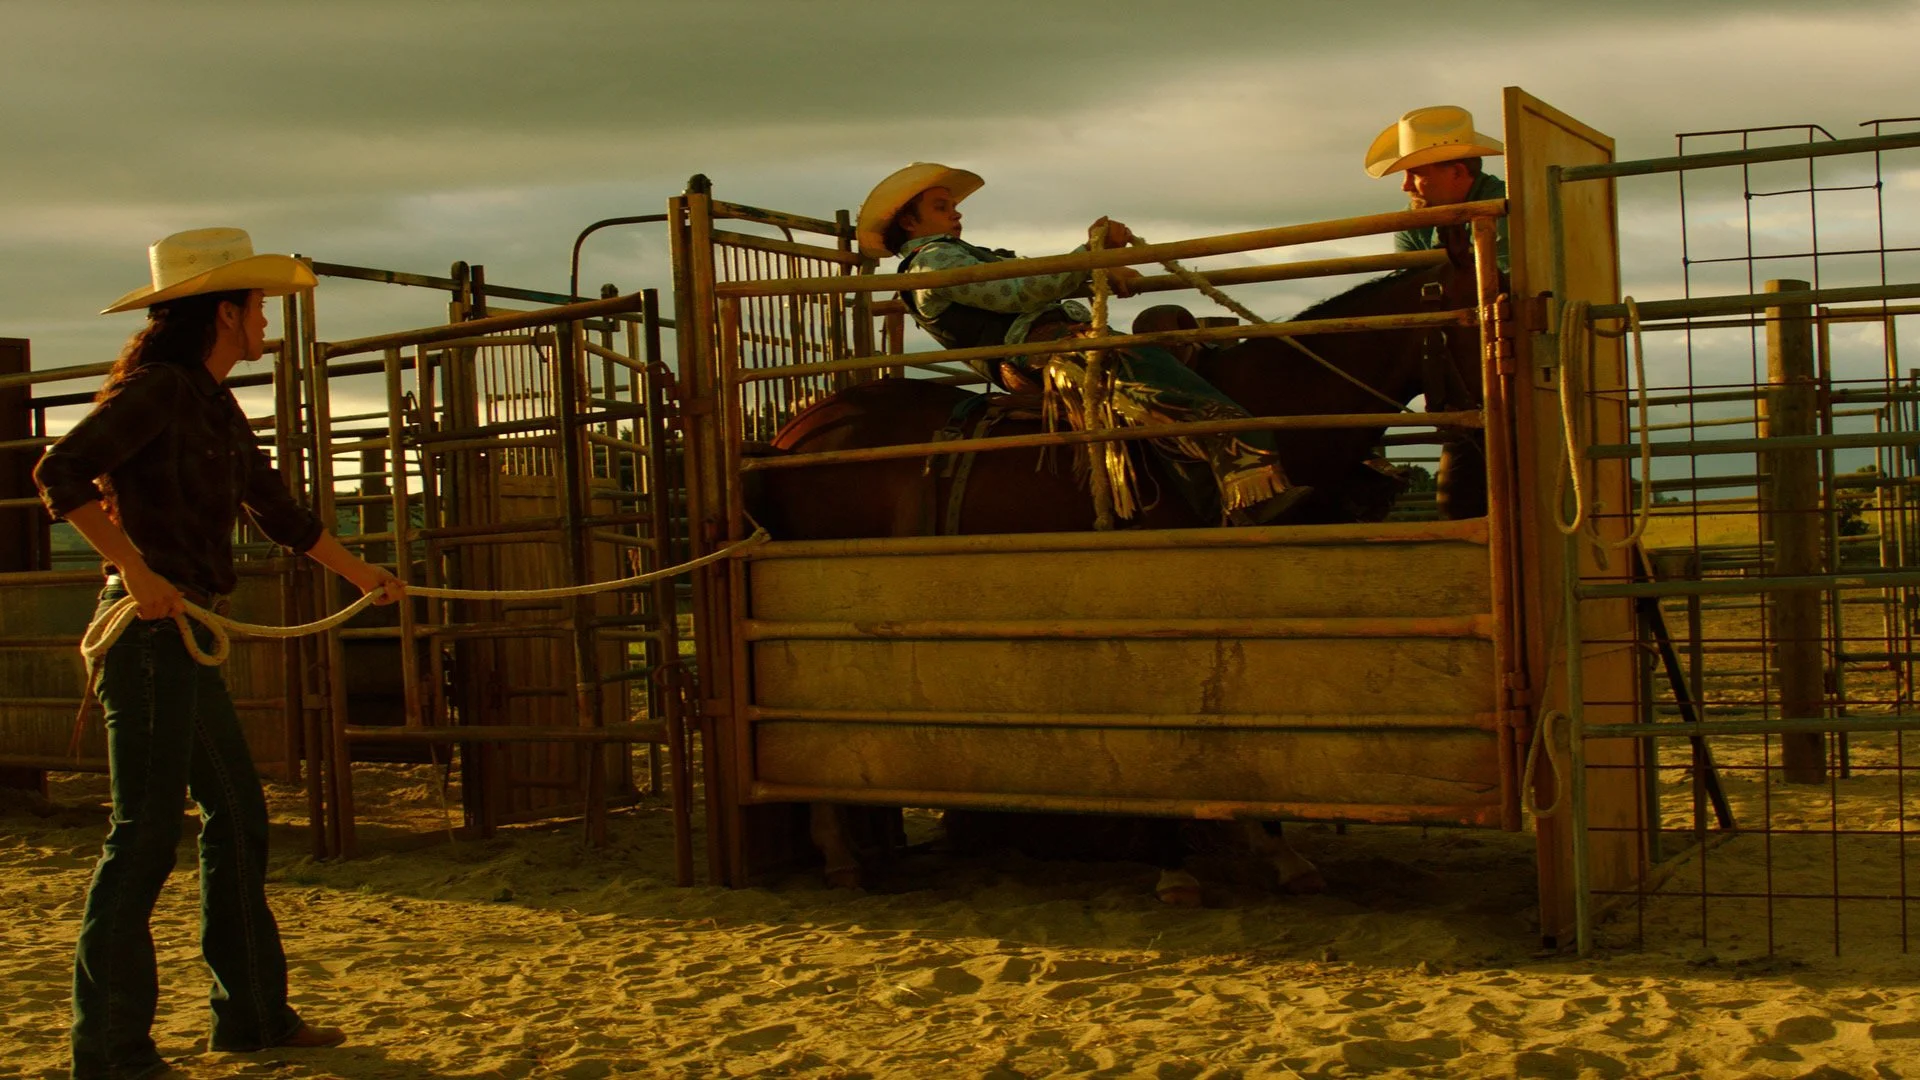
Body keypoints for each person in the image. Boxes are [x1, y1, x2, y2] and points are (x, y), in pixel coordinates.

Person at [35, 228, 402, 1079]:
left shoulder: (212, 404)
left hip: (184, 638)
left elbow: (276, 510)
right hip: (151, 634)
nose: (267, 324)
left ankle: (254, 1019)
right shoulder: (161, 391)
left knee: (236, 818)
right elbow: (62, 471)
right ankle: (111, 1049)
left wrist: (362, 576)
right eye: (260, 309)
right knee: (145, 835)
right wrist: (133, 570)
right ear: (227, 312)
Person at [854, 162, 1310, 525]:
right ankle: (1243, 475)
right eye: (941, 206)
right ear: (910, 222)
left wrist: (1100, 268)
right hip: (1038, 354)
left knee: (1172, 351)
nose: (956, 213)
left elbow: (1037, 280)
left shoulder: (962, 257)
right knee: (1154, 376)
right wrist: (1092, 252)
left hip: (1051, 344)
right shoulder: (933, 263)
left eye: (952, 205)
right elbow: (1019, 293)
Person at [1365, 105, 1509, 273]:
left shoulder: (1508, 207)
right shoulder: (1412, 223)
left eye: (1416, 175)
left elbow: (1510, 285)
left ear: (1457, 172)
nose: (1405, 186)